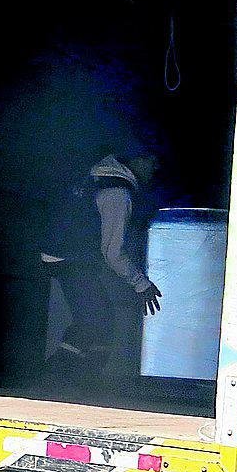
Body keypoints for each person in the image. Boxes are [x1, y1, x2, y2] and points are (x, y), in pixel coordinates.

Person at [41, 148, 162, 381]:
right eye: (151, 159)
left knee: (100, 320)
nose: (155, 168)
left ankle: (84, 380)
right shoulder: (117, 192)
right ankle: (53, 379)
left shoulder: (98, 177)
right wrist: (141, 284)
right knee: (93, 321)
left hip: (63, 256)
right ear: (135, 159)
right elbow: (113, 253)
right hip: (71, 259)